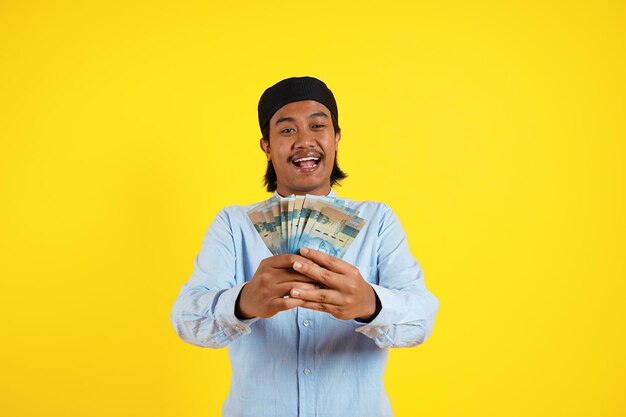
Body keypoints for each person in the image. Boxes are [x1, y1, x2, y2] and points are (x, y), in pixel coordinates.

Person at [170, 76, 439, 417]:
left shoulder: (377, 220)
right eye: (286, 130)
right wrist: (241, 302)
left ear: (336, 138)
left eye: (317, 126)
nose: (305, 141)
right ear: (266, 146)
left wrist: (371, 303)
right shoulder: (234, 224)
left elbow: (422, 319)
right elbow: (186, 318)